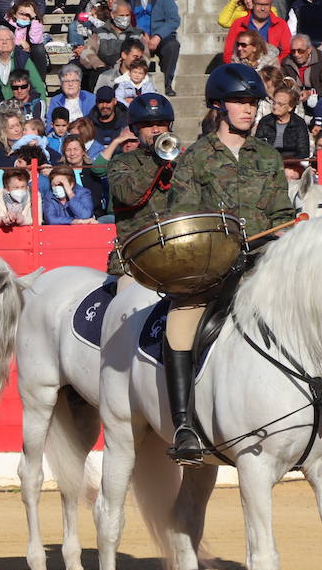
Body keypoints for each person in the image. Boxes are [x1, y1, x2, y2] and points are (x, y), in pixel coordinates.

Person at [163, 63, 294, 465]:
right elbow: (183, 221)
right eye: (240, 102)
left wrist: (281, 238)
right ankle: (185, 426)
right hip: (211, 273)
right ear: (219, 106)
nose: (249, 110)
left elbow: (281, 214)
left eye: (253, 103)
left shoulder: (268, 157)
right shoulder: (194, 159)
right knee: (179, 326)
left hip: (263, 272)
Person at [105, 93, 176, 282]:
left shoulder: (183, 162)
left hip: (179, 254)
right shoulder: (121, 162)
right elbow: (127, 195)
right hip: (134, 259)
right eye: (147, 124)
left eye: (161, 123)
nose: (155, 129)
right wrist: (157, 160)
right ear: (135, 129)